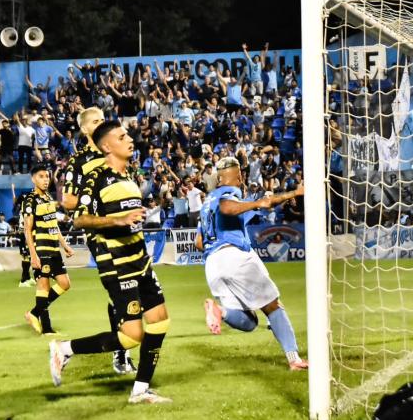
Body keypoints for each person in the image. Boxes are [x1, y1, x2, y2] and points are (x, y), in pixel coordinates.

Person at [49, 121, 172, 404]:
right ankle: (64, 349)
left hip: (139, 260)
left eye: (128, 134)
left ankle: (140, 390)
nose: (130, 139)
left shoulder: (129, 176)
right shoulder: (97, 178)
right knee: (131, 335)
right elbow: (79, 218)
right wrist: (118, 220)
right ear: (107, 146)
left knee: (160, 320)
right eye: (122, 136)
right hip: (117, 264)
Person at [195, 156, 308, 371]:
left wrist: (284, 196)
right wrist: (260, 202)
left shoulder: (207, 204)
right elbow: (228, 207)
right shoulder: (229, 194)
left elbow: (199, 242)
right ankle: (294, 359)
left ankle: (219, 310)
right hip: (234, 257)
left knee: (249, 322)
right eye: (242, 175)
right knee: (273, 305)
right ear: (238, 176)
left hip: (213, 263)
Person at [59, 106, 134, 374]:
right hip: (100, 232)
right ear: (84, 129)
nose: (101, 123)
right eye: (95, 121)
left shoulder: (116, 154)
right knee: (121, 289)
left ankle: (122, 348)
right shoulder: (79, 161)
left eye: (103, 119)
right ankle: (121, 353)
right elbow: (67, 200)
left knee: (127, 290)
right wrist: (100, 196)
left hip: (124, 230)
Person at [23, 165, 74, 335]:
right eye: (41, 176)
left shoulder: (48, 198)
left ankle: (33, 313)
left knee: (65, 284)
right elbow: (27, 229)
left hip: (54, 248)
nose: (45, 180)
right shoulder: (30, 199)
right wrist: (33, 255)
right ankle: (47, 329)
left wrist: (64, 245)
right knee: (43, 286)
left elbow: (54, 225)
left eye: (47, 176)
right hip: (41, 248)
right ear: (33, 179)